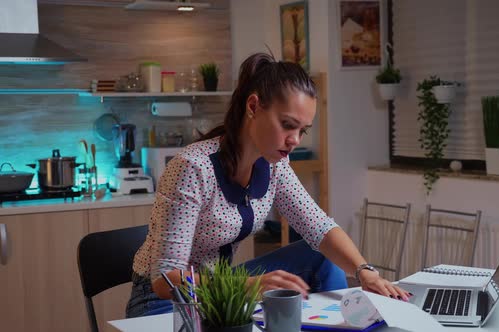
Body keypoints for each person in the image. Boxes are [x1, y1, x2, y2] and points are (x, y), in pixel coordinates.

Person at [126, 52, 409, 318]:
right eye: (288, 125)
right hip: (163, 302)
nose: (296, 140)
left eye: (302, 130)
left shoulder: (275, 166)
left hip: (223, 289)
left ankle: (345, 320)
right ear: (253, 106)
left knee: (320, 256)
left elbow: (319, 228)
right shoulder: (193, 167)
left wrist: (365, 272)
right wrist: (249, 286)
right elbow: (166, 280)